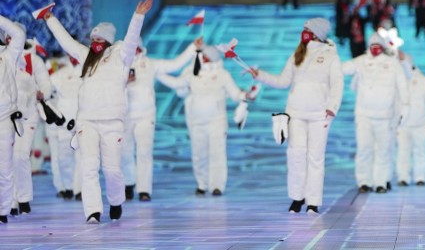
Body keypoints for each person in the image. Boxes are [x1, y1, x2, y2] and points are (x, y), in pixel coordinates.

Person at [39, 0, 153, 223]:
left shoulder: (121, 56)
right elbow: (66, 42)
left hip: (113, 122)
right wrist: (50, 18)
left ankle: (116, 201)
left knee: (111, 170)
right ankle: (92, 210)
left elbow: (131, 40)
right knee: (89, 166)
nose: (95, 42)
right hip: (87, 122)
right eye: (93, 39)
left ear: (108, 41)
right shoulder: (85, 58)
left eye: (99, 39)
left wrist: (138, 16)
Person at [249, 18, 343, 214]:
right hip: (296, 113)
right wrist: (260, 75)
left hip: (319, 115)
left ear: (317, 33)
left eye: (307, 29)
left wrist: (332, 108)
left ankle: (313, 202)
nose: (303, 33)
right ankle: (297, 198)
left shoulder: (330, 55)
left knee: (315, 158)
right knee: (296, 156)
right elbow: (283, 81)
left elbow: (337, 84)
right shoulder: (297, 53)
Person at [158, 42, 252, 198]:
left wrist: (246, 96)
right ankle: (202, 184)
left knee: (217, 154)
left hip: (217, 121)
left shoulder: (223, 74)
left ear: (210, 57)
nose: (201, 57)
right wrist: (159, 74)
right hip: (196, 121)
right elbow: (177, 83)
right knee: (198, 154)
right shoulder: (192, 73)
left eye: (204, 55)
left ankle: (217, 186)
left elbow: (235, 94)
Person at [121, 38, 198, 202]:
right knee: (124, 152)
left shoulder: (151, 63)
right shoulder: (118, 64)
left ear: (141, 47)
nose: (134, 49)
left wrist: (192, 48)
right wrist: (122, 81)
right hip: (124, 115)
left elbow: (175, 64)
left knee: (144, 152)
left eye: (136, 47)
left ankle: (144, 189)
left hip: (146, 115)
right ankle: (128, 183)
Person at [341, 33, 409, 194]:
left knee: (383, 150)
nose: (375, 49)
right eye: (372, 46)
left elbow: (402, 85)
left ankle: (381, 182)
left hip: (385, 116)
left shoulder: (392, 63)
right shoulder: (361, 61)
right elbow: (342, 69)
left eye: (378, 46)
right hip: (363, 115)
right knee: (364, 149)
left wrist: (405, 106)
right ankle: (364, 181)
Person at [11, 35, 54, 215]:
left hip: (28, 115)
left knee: (20, 155)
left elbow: (47, 86)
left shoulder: (34, 60)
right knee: (6, 158)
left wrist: (42, 93)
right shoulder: (4, 58)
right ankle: (11, 202)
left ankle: (24, 198)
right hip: (6, 116)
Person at [395, 51, 425, 187]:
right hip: (403, 124)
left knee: (420, 151)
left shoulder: (422, 80)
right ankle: (403, 177)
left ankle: (420, 177)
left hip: (420, 124)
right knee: (403, 152)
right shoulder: (398, 79)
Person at [0, 15, 26, 225]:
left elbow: (18, 34)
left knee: (5, 169)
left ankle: (3, 210)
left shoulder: (7, 57)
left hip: (3, 120)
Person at [48, 53, 82, 200]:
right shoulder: (58, 75)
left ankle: (79, 189)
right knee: (64, 157)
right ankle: (68, 186)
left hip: (83, 120)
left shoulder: (90, 72)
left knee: (83, 157)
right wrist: (54, 116)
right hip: (64, 123)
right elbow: (45, 94)